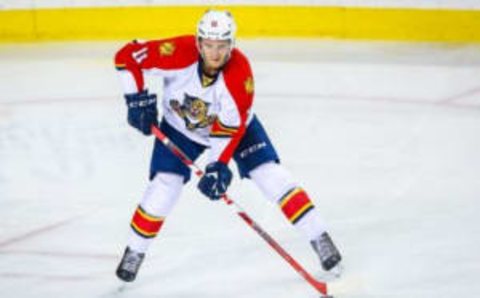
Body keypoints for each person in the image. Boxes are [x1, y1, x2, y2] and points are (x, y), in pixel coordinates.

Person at [114, 9, 342, 283]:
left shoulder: (240, 75)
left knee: (271, 177)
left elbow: (228, 128)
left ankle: (319, 237)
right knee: (164, 187)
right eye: (208, 45)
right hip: (179, 129)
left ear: (231, 45)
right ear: (199, 42)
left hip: (236, 130)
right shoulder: (176, 51)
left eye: (222, 46)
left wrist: (217, 166)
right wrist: (135, 99)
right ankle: (134, 252)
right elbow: (126, 56)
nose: (214, 53)